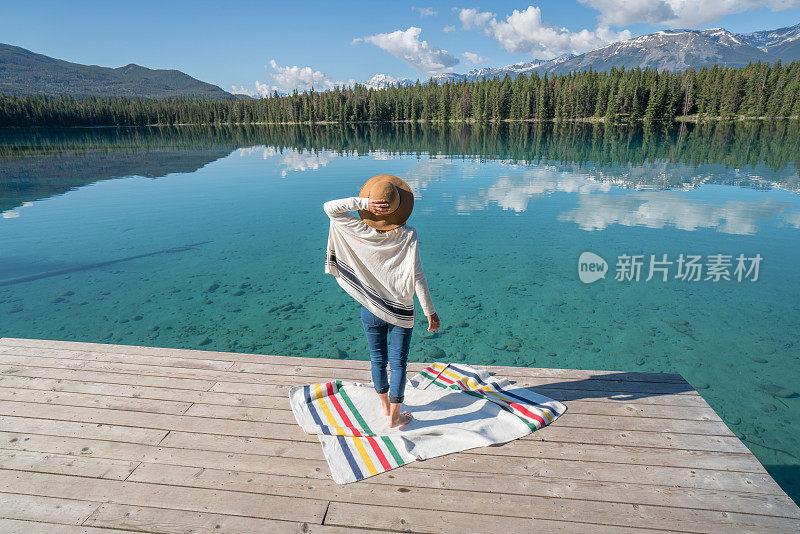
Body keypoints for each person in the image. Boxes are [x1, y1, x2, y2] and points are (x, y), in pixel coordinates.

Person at [324, 174, 440, 429]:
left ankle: (385, 407)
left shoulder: (357, 230)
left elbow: (330, 208)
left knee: (378, 360)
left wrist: (363, 203)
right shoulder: (408, 235)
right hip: (401, 311)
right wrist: (430, 312)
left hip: (371, 308)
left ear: (372, 205)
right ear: (400, 208)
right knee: (398, 363)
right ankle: (395, 417)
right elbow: (417, 276)